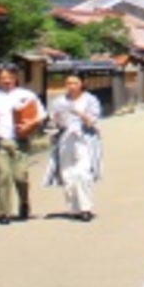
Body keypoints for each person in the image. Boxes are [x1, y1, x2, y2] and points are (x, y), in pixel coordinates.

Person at [0, 65, 42, 224]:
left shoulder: (26, 95)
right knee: (3, 176)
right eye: (3, 77)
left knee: (20, 177)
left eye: (10, 77)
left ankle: (24, 202)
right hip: (1, 140)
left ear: (16, 77)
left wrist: (30, 123)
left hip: (20, 140)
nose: (6, 80)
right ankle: (3, 212)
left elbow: (40, 115)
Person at [43, 74, 104, 220]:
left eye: (75, 83)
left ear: (82, 83)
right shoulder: (59, 101)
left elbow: (93, 120)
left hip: (85, 138)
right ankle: (73, 208)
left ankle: (86, 208)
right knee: (68, 174)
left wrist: (80, 113)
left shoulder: (90, 100)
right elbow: (54, 121)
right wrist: (55, 119)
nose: (71, 86)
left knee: (83, 173)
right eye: (68, 83)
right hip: (65, 139)